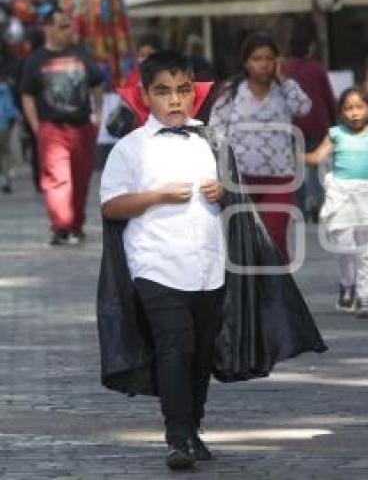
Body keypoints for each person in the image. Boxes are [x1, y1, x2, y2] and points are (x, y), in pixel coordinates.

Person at [100, 50, 226, 470]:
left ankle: (193, 427)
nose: (174, 100)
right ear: (145, 96)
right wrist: (155, 196)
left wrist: (223, 193)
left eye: (182, 90)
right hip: (156, 265)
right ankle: (177, 436)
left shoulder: (211, 139)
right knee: (175, 347)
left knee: (202, 354)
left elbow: (235, 194)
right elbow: (111, 206)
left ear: (194, 91)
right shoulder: (130, 148)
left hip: (209, 266)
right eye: (163, 92)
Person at [208, 32, 311, 262]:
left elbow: (303, 108)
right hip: (240, 180)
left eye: (268, 58)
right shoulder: (231, 92)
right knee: (244, 242)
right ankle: (249, 296)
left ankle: (279, 296)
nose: (263, 64)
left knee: (274, 238)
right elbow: (214, 130)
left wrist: (284, 79)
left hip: (280, 179)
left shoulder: (285, 91)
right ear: (245, 62)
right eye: (256, 59)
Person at [20, 9, 104, 245]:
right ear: (47, 28)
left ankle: (75, 225)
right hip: (52, 127)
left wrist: (98, 114)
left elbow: (97, 83)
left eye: (69, 25)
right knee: (57, 179)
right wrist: (36, 125)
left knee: (80, 178)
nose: (69, 30)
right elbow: (26, 94)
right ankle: (61, 226)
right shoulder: (35, 59)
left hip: (82, 127)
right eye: (62, 26)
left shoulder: (81, 54)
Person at [304, 87, 368, 319]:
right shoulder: (335, 134)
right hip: (341, 197)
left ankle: (363, 299)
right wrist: (295, 154)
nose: (355, 113)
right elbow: (317, 157)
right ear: (341, 112)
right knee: (345, 247)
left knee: (367, 250)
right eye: (348, 108)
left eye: (359, 107)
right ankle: (347, 284)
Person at [287, 26, 337, 222]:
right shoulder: (316, 68)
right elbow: (328, 98)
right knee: (316, 165)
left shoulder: (284, 69)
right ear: (309, 48)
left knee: (296, 166)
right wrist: (334, 120)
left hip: (291, 125)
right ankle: (315, 205)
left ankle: (299, 206)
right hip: (316, 123)